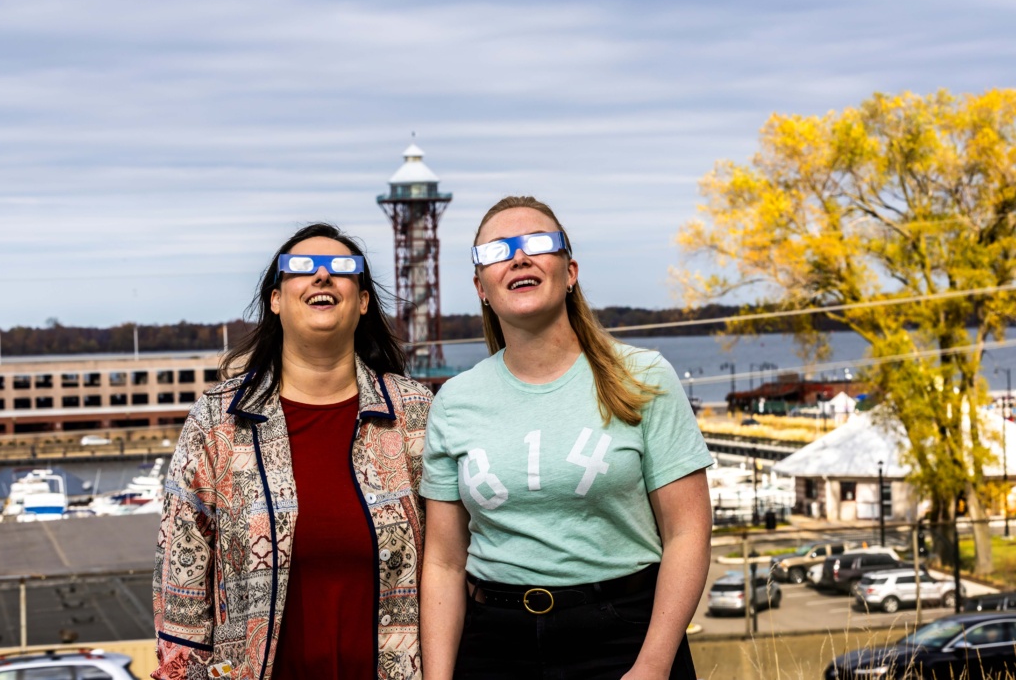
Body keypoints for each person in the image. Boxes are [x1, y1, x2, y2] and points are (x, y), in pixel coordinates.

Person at [419, 196, 713, 680]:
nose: (518, 257)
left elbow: (688, 533)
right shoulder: (455, 400)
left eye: (537, 243)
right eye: (496, 251)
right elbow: (446, 563)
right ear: (481, 288)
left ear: (570, 271)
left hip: (625, 637)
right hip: (494, 643)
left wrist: (654, 665)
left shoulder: (643, 377)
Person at [152, 223, 431, 680]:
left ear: (362, 301)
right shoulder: (218, 421)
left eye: (342, 268)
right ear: (276, 300)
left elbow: (448, 564)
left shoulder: (414, 415)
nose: (322, 277)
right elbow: (180, 590)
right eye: (301, 268)